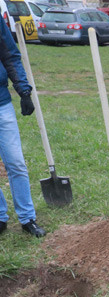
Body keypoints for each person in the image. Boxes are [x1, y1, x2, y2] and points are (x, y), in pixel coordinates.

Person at [0, 20, 46, 238]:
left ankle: (27, 218)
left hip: (2, 105)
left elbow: (10, 55)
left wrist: (24, 92)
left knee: (16, 162)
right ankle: (0, 217)